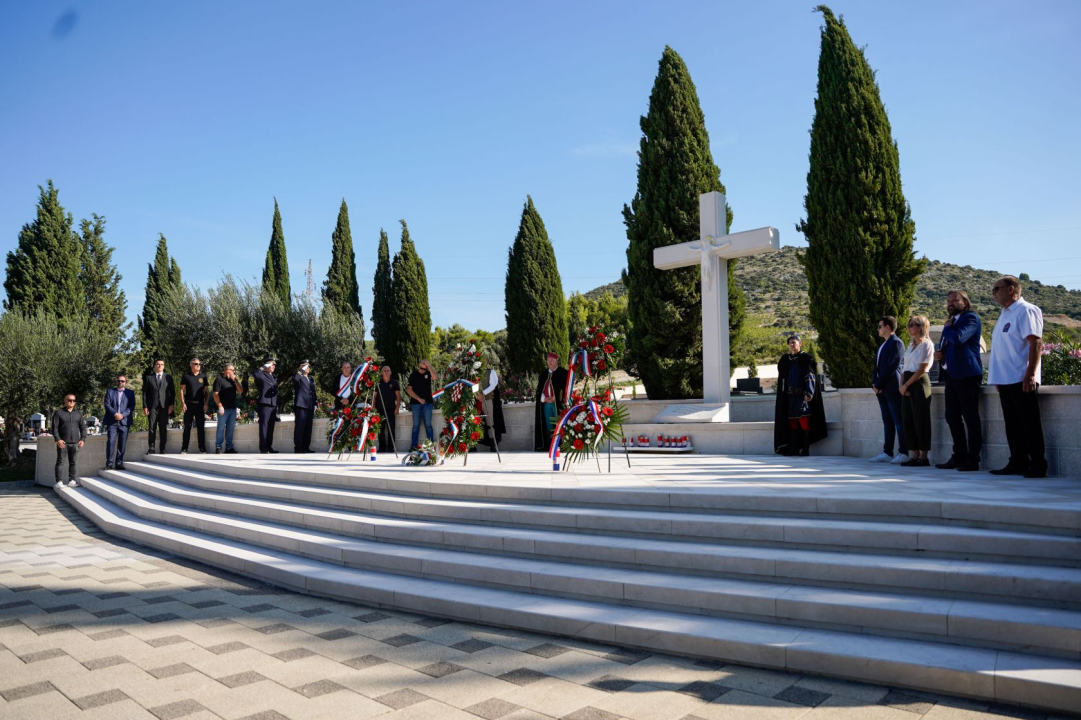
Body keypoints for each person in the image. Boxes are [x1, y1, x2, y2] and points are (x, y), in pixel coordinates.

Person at [987, 276, 1047, 478]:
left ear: (1011, 289)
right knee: (1012, 424)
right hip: (1005, 379)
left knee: (1029, 423)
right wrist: (997, 378)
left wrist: (1030, 374)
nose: (994, 293)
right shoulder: (1004, 314)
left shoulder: (1026, 310)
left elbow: (1036, 343)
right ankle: (1018, 461)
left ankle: (1037, 464)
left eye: (997, 289)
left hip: (1021, 377)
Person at [936, 290, 983, 471]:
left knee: (970, 418)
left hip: (967, 374)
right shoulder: (952, 322)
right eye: (948, 301)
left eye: (955, 300)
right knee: (952, 416)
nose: (950, 304)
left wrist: (947, 328)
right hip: (952, 376)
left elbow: (958, 338)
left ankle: (973, 460)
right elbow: (948, 345)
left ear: (965, 301)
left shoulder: (970, 318)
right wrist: (941, 355)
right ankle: (959, 456)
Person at [774, 335, 827, 456]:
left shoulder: (806, 359)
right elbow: (782, 378)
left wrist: (809, 392)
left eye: (794, 342)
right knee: (792, 422)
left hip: (802, 396)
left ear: (800, 344)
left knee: (804, 421)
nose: (792, 345)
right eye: (790, 343)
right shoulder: (785, 359)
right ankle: (793, 449)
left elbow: (810, 376)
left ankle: (805, 449)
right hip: (789, 397)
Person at [870, 317, 908, 464]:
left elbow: (892, 366)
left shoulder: (896, 343)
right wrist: (875, 383)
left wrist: (879, 384)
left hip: (892, 388)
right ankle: (887, 451)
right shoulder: (883, 345)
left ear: (887, 327)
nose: (878, 329)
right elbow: (877, 368)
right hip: (881, 389)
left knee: (898, 420)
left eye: (879, 326)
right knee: (887, 420)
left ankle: (904, 451)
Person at [900, 316, 934, 467]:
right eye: (909, 325)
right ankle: (914, 454)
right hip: (907, 382)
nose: (909, 327)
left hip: (918, 381)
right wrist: (902, 386)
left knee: (921, 419)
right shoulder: (910, 345)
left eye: (912, 325)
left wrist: (906, 384)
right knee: (908, 419)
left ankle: (923, 456)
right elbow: (904, 367)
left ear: (921, 327)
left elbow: (922, 368)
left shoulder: (926, 344)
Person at [533, 352, 568, 452]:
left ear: (557, 360)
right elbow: (539, 390)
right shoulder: (544, 374)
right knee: (548, 425)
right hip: (547, 404)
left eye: (552, 360)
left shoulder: (563, 373)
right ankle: (549, 446)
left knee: (559, 425)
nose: (550, 362)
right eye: (548, 361)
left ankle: (561, 447)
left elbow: (564, 389)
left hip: (558, 404)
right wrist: (544, 398)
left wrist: (555, 398)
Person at [52, 394, 87, 489]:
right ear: (65, 401)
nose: (72, 402)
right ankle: (58, 482)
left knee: (73, 462)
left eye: (73, 400)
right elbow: (54, 428)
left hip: (75, 443)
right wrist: (58, 439)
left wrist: (83, 439)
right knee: (60, 462)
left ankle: (72, 481)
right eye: (69, 400)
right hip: (63, 443)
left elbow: (83, 427)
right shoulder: (58, 413)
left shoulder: (78, 413)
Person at [143, 359, 175, 454]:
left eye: (161, 364)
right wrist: (145, 406)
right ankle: (151, 448)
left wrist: (171, 405)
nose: (159, 366)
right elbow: (144, 393)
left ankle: (162, 448)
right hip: (152, 406)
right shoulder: (149, 378)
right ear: (154, 366)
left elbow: (172, 393)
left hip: (164, 406)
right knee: (152, 428)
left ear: (164, 366)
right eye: (158, 364)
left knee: (163, 428)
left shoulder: (168, 377)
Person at [103, 373, 135, 470]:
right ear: (116, 382)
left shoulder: (130, 393)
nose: (120, 382)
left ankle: (119, 463)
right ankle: (109, 463)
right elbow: (107, 404)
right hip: (112, 421)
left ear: (125, 382)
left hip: (124, 422)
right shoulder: (110, 392)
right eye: (119, 381)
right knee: (111, 442)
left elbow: (131, 407)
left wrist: (122, 415)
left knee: (122, 443)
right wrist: (115, 414)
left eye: (122, 381)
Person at [179, 358, 209, 454]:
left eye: (199, 364)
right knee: (187, 427)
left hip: (200, 405)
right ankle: (184, 448)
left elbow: (207, 391)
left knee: (201, 427)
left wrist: (206, 403)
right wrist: (183, 403)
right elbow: (182, 390)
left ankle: (202, 448)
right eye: (196, 364)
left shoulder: (203, 377)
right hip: (189, 404)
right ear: (191, 365)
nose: (198, 365)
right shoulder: (186, 376)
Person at [406, 360, 436, 448]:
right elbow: (409, 389)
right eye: (421, 368)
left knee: (428, 425)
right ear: (418, 366)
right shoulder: (413, 375)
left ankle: (430, 446)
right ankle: (414, 446)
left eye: (424, 368)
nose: (423, 370)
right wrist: (419, 399)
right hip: (416, 404)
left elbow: (435, 377)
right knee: (416, 425)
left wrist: (429, 365)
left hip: (428, 403)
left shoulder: (428, 373)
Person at [213, 363, 241, 454]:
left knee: (230, 429)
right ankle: (218, 447)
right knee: (221, 428)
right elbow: (215, 394)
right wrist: (220, 406)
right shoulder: (219, 379)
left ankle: (229, 447)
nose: (233, 372)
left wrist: (235, 380)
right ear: (226, 370)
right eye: (231, 370)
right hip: (223, 408)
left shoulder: (234, 380)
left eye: (233, 370)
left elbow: (241, 391)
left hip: (232, 408)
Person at [478, 364, 505, 452]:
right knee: (476, 422)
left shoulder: (490, 372)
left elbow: (493, 385)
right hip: (477, 400)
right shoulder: (474, 373)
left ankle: (493, 445)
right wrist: (477, 395)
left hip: (488, 399)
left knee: (490, 423)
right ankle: (473, 445)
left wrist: (483, 393)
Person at [254, 358, 279, 453]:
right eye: (272, 365)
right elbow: (256, 374)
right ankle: (263, 448)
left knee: (271, 427)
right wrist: (264, 366)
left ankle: (269, 446)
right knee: (264, 426)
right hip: (265, 403)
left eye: (274, 365)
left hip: (273, 404)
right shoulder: (262, 375)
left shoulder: (274, 377)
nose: (273, 367)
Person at [374, 365, 401, 453]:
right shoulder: (378, 383)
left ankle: (390, 448)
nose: (386, 372)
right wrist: (373, 407)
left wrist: (397, 408)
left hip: (391, 409)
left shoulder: (394, 382)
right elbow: (374, 396)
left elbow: (398, 396)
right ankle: (381, 447)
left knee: (391, 429)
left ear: (390, 372)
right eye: (384, 370)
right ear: (382, 372)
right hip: (379, 409)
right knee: (380, 429)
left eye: (388, 370)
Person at [293, 360, 316, 453]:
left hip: (310, 405)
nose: (307, 368)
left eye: (308, 366)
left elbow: (313, 392)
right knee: (300, 427)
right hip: (301, 405)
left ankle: (306, 447)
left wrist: (315, 403)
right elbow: (295, 378)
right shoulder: (299, 377)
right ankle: (298, 448)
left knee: (308, 428)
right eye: (305, 366)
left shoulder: (310, 379)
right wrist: (301, 370)